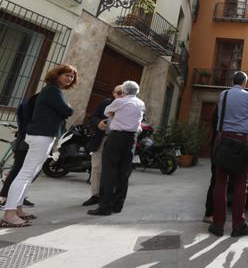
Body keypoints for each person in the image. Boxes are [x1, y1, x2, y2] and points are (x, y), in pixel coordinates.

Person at [1, 64, 77, 227]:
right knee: (25, 173)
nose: (69, 78)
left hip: (40, 135)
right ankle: (9, 214)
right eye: (66, 74)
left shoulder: (52, 91)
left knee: (29, 173)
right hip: (41, 136)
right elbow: (67, 111)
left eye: (72, 76)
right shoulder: (52, 91)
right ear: (56, 75)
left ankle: (18, 209)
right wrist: (68, 107)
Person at [209, 71, 248, 237]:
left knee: (220, 182)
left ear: (232, 81)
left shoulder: (224, 94)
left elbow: (220, 116)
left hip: (223, 139)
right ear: (244, 82)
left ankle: (218, 224)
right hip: (241, 141)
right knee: (241, 184)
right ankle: (238, 226)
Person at [88, 81, 144, 216]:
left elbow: (108, 112)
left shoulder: (120, 101)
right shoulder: (141, 103)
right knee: (124, 173)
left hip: (116, 137)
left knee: (109, 172)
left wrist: (116, 114)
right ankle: (118, 205)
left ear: (124, 90)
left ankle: (105, 207)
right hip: (131, 139)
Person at [82, 85, 123, 206]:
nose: (120, 94)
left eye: (123, 92)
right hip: (101, 139)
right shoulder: (105, 103)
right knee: (96, 168)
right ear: (113, 93)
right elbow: (92, 117)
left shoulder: (129, 106)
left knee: (114, 169)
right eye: (118, 92)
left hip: (117, 141)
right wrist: (98, 122)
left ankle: (110, 195)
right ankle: (95, 195)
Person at [0, 93, 39, 208]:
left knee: (22, 171)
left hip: (25, 141)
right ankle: (4, 197)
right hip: (25, 143)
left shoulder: (31, 103)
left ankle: (19, 197)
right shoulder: (35, 104)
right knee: (18, 170)